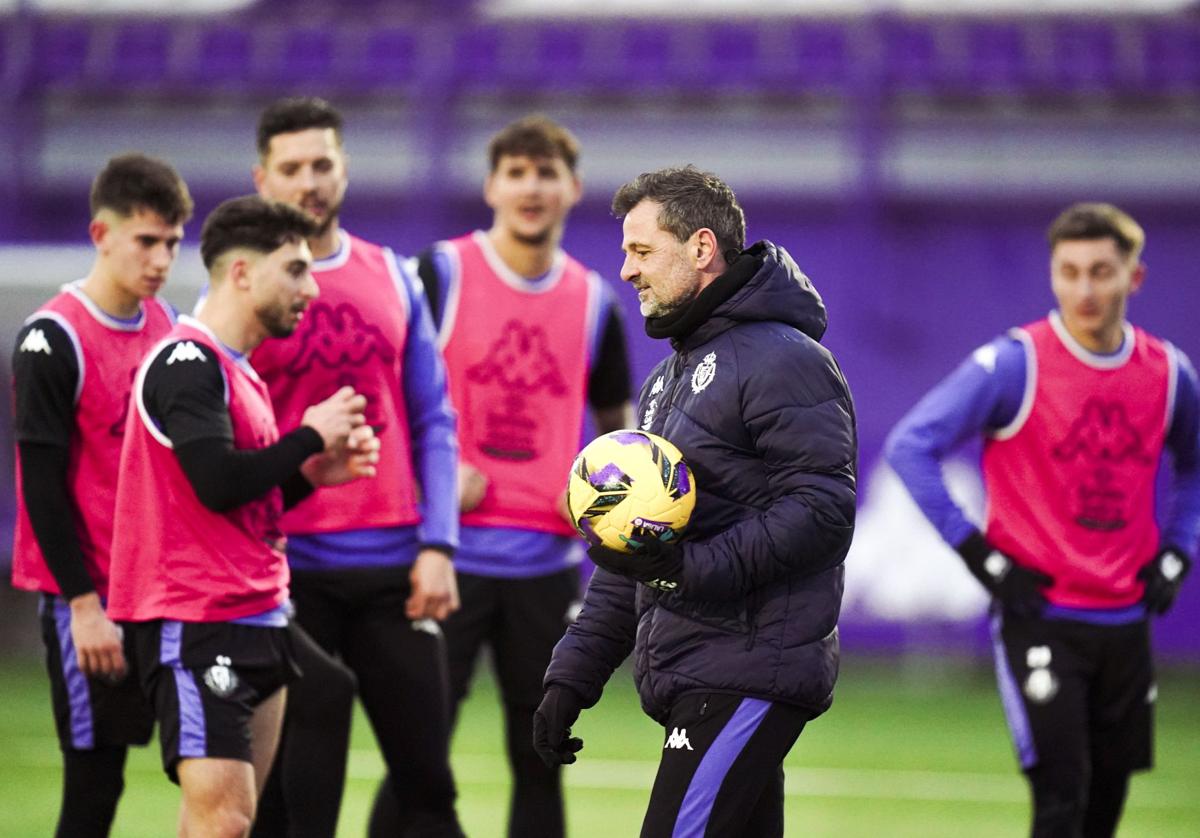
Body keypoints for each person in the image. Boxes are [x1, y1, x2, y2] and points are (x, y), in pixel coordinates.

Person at [533, 166, 857, 837]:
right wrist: (573, 675)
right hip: (702, 671)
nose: (625, 270)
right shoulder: (665, 381)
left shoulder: (784, 358)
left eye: (642, 251)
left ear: (702, 248)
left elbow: (824, 511)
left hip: (748, 672)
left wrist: (691, 567)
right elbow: (638, 551)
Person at [886, 202, 1199, 837]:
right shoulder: (1015, 364)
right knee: (1061, 795)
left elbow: (1196, 467)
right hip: (1041, 617)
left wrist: (1178, 551)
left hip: (1125, 619)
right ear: (1053, 275)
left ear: (1133, 278)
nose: (1085, 289)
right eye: (1070, 271)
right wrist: (981, 556)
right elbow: (910, 445)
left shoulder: (1168, 374)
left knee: (1103, 808)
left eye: (1101, 272)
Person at [369, 114, 634, 838]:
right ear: (490, 185)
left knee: (541, 757)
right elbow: (380, 393)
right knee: (417, 758)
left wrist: (600, 492)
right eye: (516, 172)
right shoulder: (438, 274)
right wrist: (434, 478)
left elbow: (622, 427)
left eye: (546, 173)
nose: (531, 187)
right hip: (441, 562)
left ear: (572, 188)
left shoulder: (595, 302)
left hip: (546, 569)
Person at [105, 194, 378, 838]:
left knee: (233, 822)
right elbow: (216, 484)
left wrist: (312, 477)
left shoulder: (239, 372)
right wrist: (309, 438)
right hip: (195, 620)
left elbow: (248, 508)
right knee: (222, 821)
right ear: (241, 273)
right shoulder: (187, 364)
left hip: (260, 613)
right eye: (295, 269)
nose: (311, 288)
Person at [247, 96, 464, 837]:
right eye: (292, 167)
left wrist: (439, 544)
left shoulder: (395, 275)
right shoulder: (240, 292)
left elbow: (435, 417)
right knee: (291, 799)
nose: (309, 181)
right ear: (263, 177)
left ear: (344, 170)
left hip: (395, 569)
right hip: (283, 573)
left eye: (322, 164)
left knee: (428, 790)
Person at [10, 153, 192, 837]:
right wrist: (83, 606)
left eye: (172, 243)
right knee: (95, 781)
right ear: (101, 234)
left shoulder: (170, 329)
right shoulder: (52, 339)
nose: (161, 258)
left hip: (163, 591)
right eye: (147, 241)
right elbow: (42, 486)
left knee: (209, 763)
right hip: (89, 599)